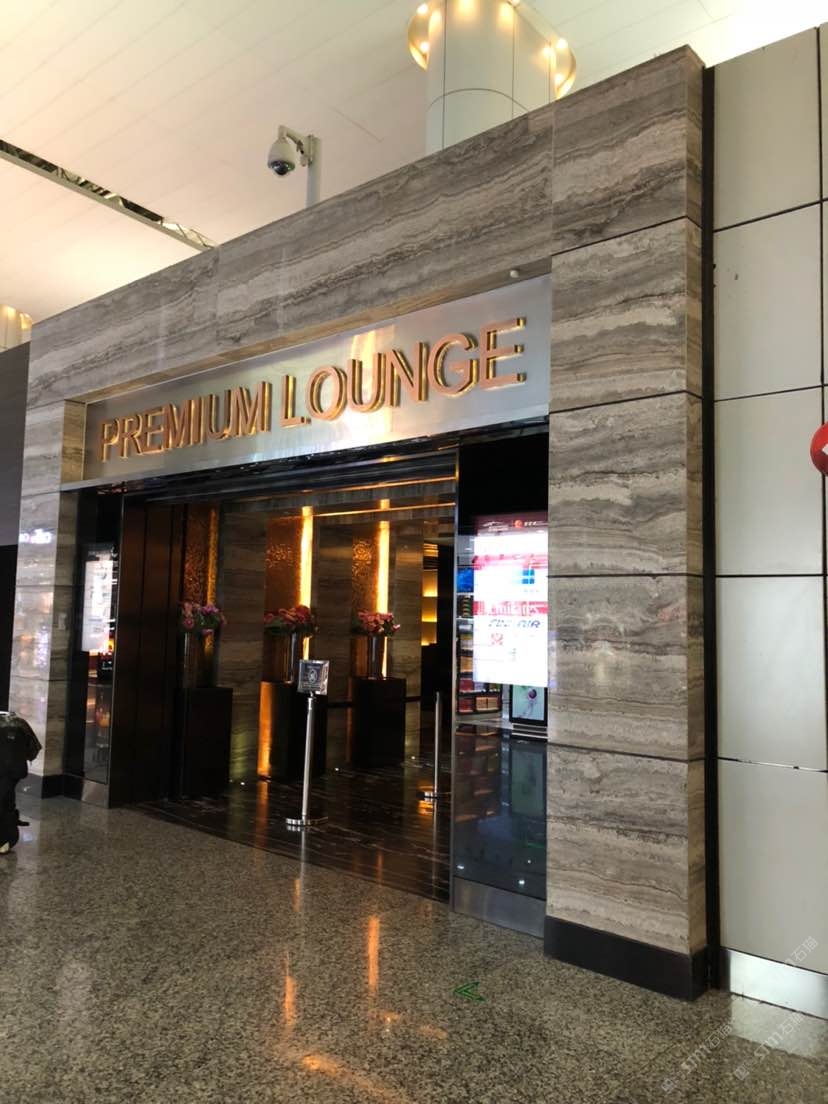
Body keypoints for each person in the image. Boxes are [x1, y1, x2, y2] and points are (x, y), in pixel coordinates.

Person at [0, 711, 41, 854]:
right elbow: (34, 749)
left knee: (4, 801)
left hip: (4, 769)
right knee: (6, 798)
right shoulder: (20, 723)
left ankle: (5, 839)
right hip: (16, 770)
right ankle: (7, 838)